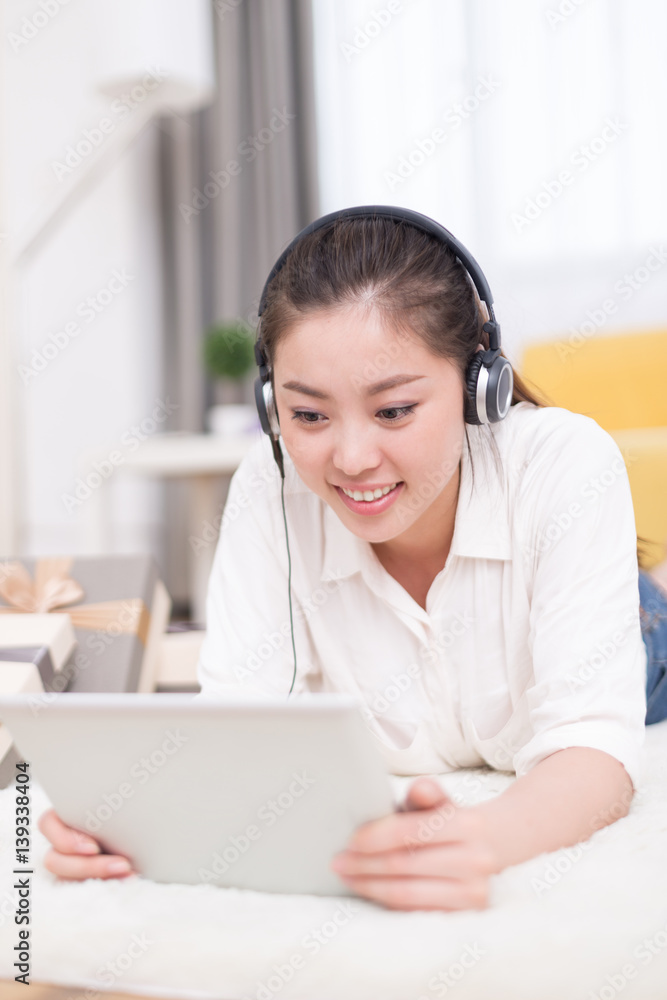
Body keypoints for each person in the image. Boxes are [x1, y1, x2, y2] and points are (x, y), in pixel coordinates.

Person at [39, 207, 667, 912]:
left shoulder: (564, 461)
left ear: (475, 385)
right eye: (308, 415)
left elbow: (594, 750)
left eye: (393, 410)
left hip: (642, 637)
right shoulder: (269, 484)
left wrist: (481, 838)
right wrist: (137, 823)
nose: (351, 459)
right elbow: (236, 723)